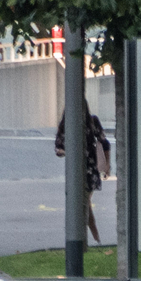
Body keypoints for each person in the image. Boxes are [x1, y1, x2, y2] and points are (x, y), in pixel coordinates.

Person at [53, 106, 113, 247]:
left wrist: (107, 165)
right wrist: (66, 152)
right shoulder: (67, 125)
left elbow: (104, 143)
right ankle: (95, 237)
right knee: (84, 204)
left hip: (87, 171)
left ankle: (83, 244)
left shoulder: (91, 122)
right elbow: (58, 148)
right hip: (80, 171)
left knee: (83, 204)